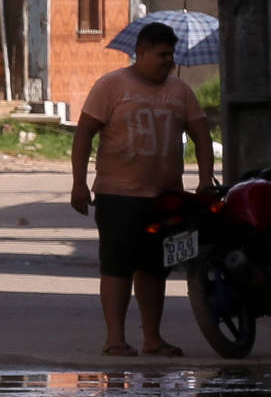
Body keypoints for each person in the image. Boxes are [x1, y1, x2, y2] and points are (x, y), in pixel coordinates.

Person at [70, 19, 215, 357]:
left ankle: (153, 337)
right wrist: (78, 183)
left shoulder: (180, 91)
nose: (169, 61)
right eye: (162, 55)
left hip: (164, 198)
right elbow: (83, 134)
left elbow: (202, 137)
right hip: (117, 194)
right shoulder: (111, 85)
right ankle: (115, 339)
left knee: (153, 268)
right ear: (141, 53)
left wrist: (205, 180)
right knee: (117, 266)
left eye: (171, 55)